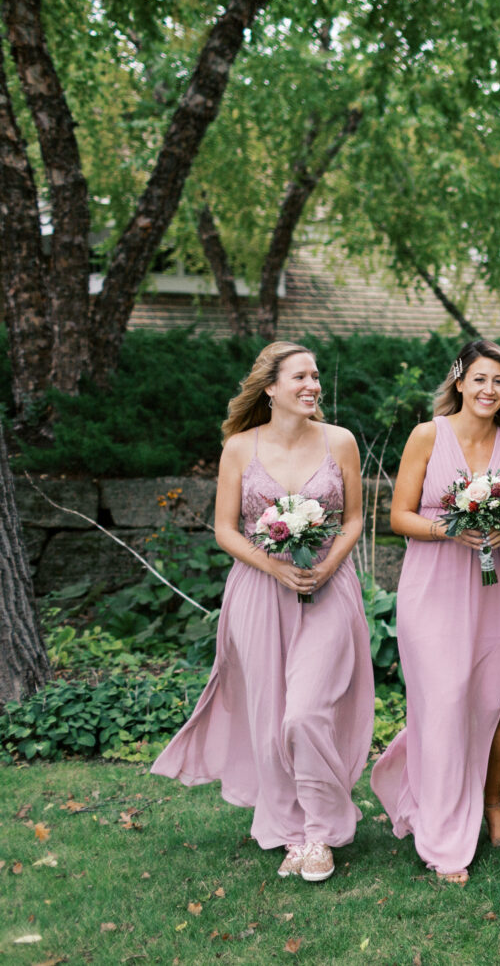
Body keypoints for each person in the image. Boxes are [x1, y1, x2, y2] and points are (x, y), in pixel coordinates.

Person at [152, 342, 372, 883]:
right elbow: (226, 528)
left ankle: (322, 830)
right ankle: (290, 832)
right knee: (270, 716)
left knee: (306, 711)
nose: (312, 385)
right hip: (258, 589)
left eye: (316, 376)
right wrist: (273, 567)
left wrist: (323, 569)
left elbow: (354, 521)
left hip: (327, 587)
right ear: (270, 387)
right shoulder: (239, 447)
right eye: (300, 376)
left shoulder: (340, 442)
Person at [369, 340, 500, 885]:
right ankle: (443, 840)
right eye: (481, 379)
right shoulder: (428, 435)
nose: (490, 390)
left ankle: (485, 803)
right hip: (435, 584)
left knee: (487, 699)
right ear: (460, 382)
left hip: (495, 584)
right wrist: (451, 528)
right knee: (441, 700)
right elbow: (398, 516)